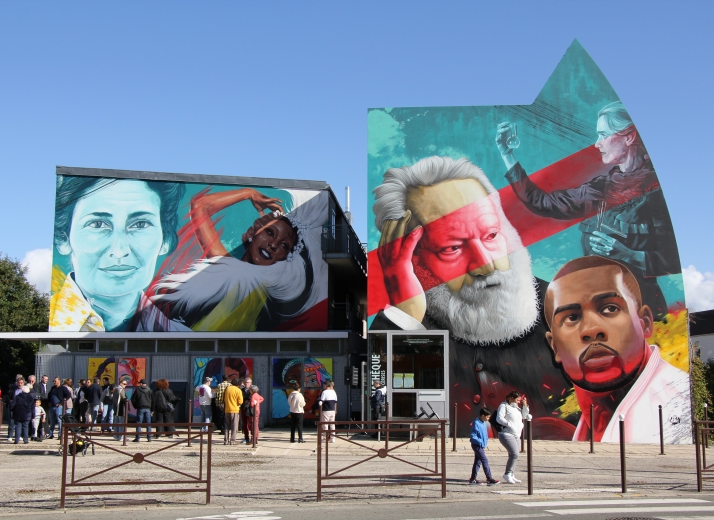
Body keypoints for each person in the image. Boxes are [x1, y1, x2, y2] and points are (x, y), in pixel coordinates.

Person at [370, 156, 572, 438]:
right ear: (412, 259)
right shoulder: (407, 321)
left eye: (491, 235)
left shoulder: (566, 308)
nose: (486, 265)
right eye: (451, 248)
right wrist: (405, 318)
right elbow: (394, 433)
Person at [496, 102, 680, 319]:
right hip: (597, 309)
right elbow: (542, 203)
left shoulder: (657, 191)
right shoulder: (600, 188)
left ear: (629, 137)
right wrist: (507, 154)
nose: (597, 143)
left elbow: (673, 260)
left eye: (603, 134)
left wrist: (628, 255)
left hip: (639, 312)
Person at [544, 256, 691, 443]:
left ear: (645, 323)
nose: (591, 330)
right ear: (555, 346)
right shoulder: (593, 419)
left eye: (610, 308)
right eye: (571, 317)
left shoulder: (676, 403)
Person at [139, 190, 330, 333]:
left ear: (286, 257)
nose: (273, 245)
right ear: (251, 233)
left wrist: (249, 193)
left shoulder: (250, 281)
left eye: (284, 245)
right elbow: (199, 206)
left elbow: (200, 206)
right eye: (270, 233)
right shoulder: (233, 269)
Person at [49, 176, 184, 332]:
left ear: (165, 239)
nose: (120, 251)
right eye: (98, 224)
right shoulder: (42, 322)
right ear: (63, 239)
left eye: (140, 224)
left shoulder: (181, 336)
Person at [496, 391, 530, 484]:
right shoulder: (504, 406)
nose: (519, 402)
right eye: (517, 400)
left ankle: (511, 474)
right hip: (506, 433)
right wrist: (509, 424)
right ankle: (507, 474)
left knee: (513, 455)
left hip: (516, 435)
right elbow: (499, 418)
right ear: (511, 398)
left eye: (519, 400)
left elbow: (524, 416)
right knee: (515, 454)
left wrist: (525, 406)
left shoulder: (517, 408)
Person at [469, 408, 499, 486]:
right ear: (482, 416)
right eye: (487, 417)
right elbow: (473, 435)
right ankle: (489, 478)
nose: (488, 418)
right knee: (484, 460)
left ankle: (472, 478)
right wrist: (480, 442)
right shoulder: (476, 423)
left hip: (481, 445)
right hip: (477, 445)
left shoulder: (483, 423)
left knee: (477, 461)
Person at [223, 378, 244, 445]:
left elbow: (224, 398)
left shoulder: (227, 388)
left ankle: (226, 440)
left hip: (227, 409)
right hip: (235, 409)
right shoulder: (238, 390)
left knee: (226, 426)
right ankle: (232, 440)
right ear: (238, 383)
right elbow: (240, 401)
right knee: (234, 426)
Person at [6, 375, 24, 439]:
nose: (20, 384)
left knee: (20, 422)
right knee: (11, 422)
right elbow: (7, 396)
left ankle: (19, 435)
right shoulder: (13, 389)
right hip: (13, 407)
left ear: (23, 383)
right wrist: (10, 401)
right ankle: (10, 436)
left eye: (21, 383)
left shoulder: (25, 390)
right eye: (19, 383)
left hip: (21, 408)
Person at [239, 377, 253, 443]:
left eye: (247, 382)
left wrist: (246, 399)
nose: (246, 384)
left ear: (250, 383)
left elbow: (250, 398)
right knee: (244, 423)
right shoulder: (241, 390)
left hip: (250, 408)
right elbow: (240, 397)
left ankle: (252, 437)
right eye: (245, 382)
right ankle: (246, 437)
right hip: (243, 407)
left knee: (251, 423)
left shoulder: (252, 390)